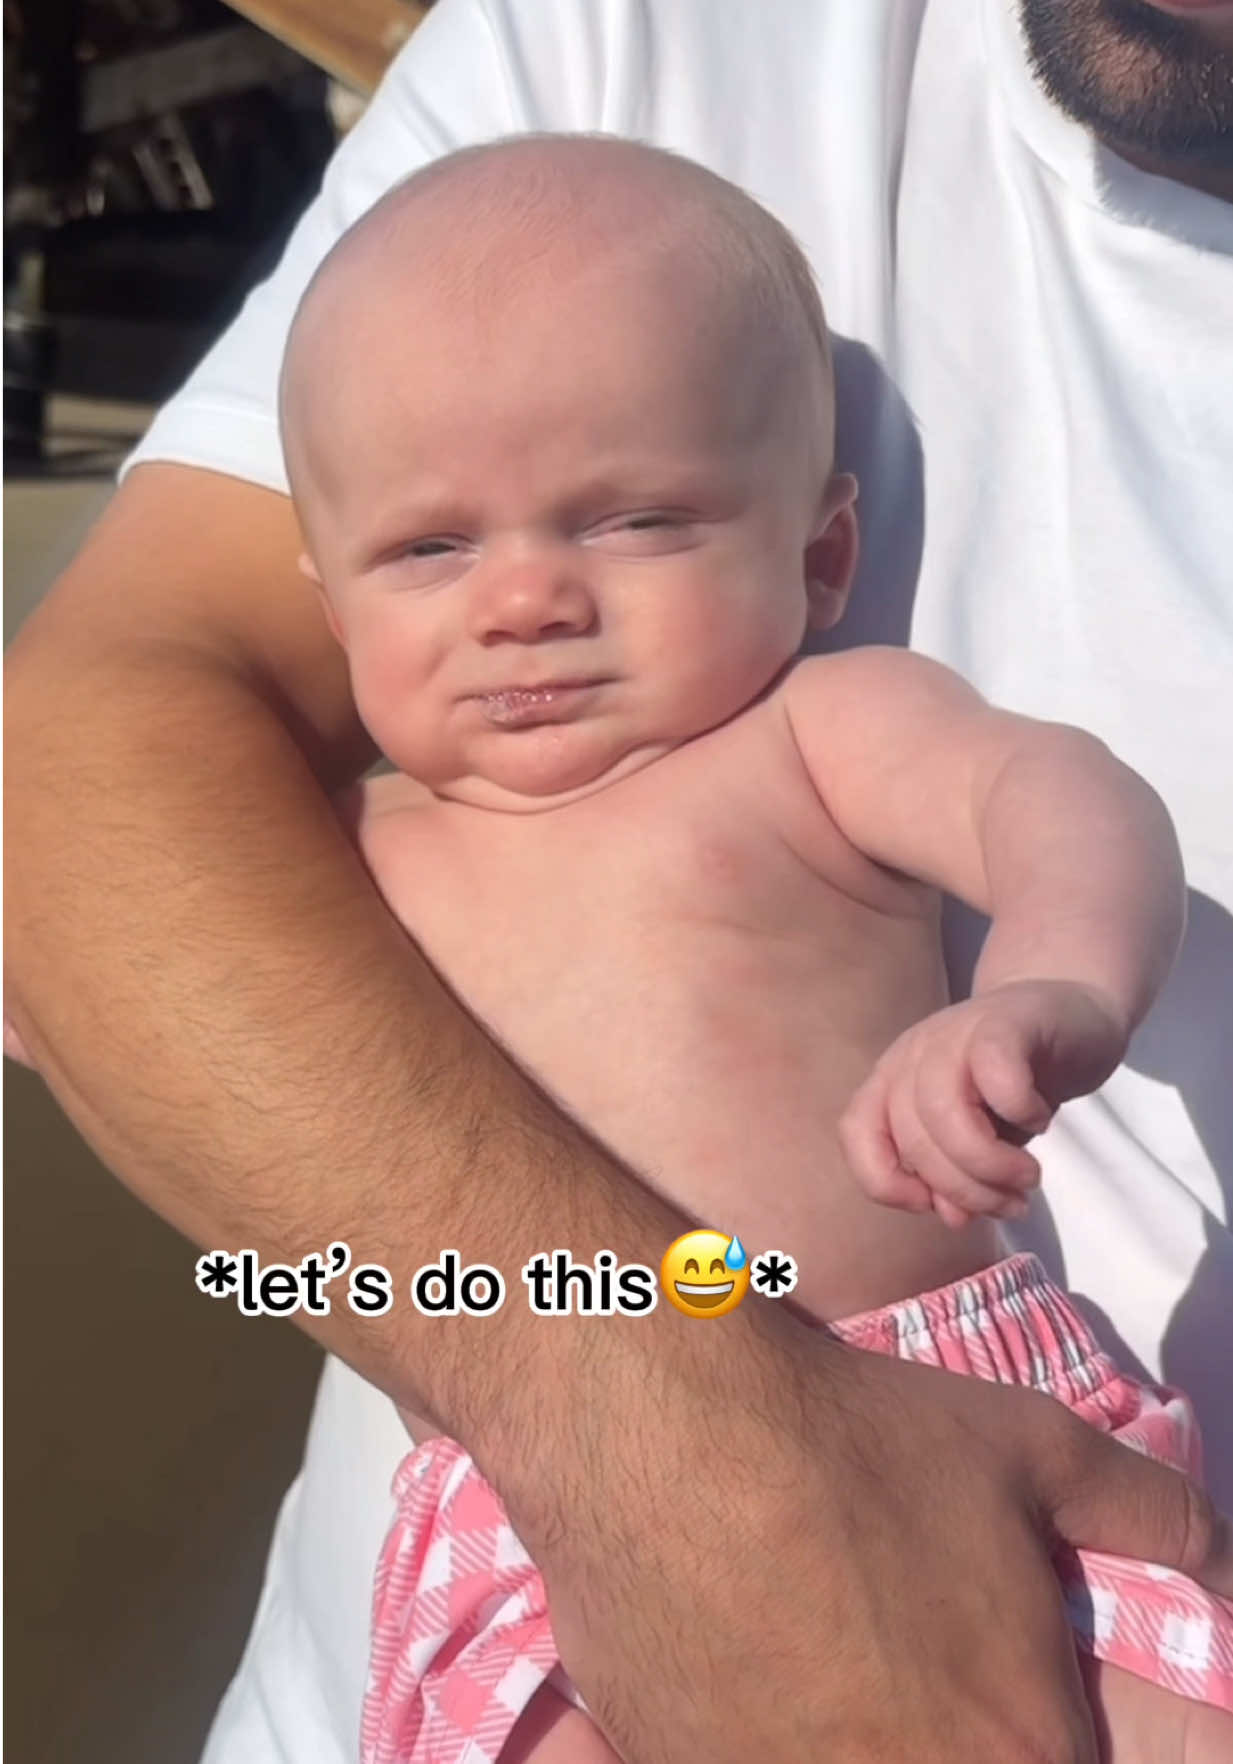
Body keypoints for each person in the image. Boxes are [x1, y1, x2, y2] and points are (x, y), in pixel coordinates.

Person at [4, 3, 1231, 1762]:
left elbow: (1061, 803)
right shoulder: (345, 858)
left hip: (963, 1383)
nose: (524, 601)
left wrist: (1055, 986)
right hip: (525, 1482)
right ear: (332, 600)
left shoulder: (812, 737)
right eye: (429, 549)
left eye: (630, 523)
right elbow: (80, 891)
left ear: (820, 553)